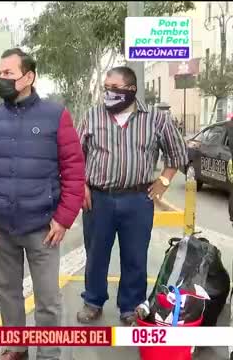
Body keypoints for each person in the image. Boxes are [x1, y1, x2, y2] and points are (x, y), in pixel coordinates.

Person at [0, 48, 86, 360]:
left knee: (47, 299)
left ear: (29, 77)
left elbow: (74, 171)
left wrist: (63, 219)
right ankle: (16, 349)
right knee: (8, 293)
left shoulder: (56, 115)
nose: (1, 79)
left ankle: (48, 354)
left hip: (43, 227)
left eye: (8, 74)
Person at [76, 66, 189, 327]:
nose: (109, 94)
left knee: (135, 256)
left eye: (114, 89)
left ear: (131, 90)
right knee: (96, 254)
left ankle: (130, 307)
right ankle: (93, 301)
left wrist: (163, 181)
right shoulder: (93, 116)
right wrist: (81, 186)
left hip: (138, 199)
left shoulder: (156, 119)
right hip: (99, 199)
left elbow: (178, 153)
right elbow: (76, 155)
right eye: (106, 88)